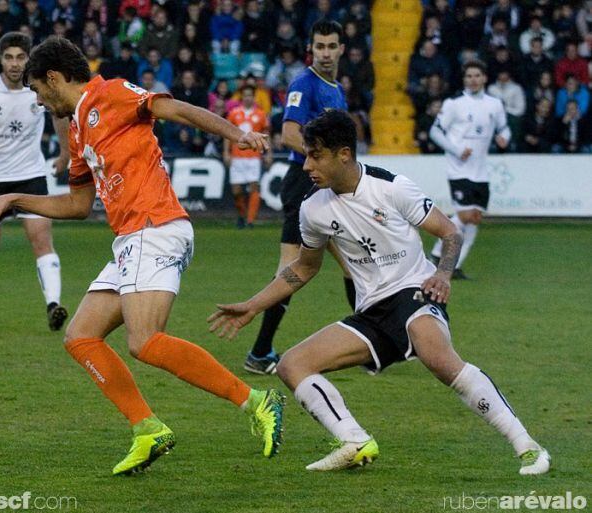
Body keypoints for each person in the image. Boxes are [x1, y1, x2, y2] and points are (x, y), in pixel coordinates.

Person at [0, 35, 285, 476]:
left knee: (144, 340)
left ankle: (257, 401)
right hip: (130, 239)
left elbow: (176, 108)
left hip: (155, 226)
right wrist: (16, 200)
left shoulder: (113, 93)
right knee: (81, 335)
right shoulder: (80, 129)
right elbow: (78, 205)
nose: (39, 100)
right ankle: (147, 429)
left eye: (36, 90)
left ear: (52, 78)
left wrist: (237, 133)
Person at [209, 110, 551, 476]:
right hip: (370, 313)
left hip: (413, 293)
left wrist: (443, 274)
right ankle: (353, 440)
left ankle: (528, 447)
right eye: (306, 154)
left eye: (315, 155)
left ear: (343, 154)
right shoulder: (313, 208)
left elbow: (450, 233)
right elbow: (305, 268)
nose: (307, 164)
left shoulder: (392, 187)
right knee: (293, 364)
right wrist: (253, 306)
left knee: (439, 359)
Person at [245, 19, 353, 376]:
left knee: (354, 262)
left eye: (331, 46)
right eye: (319, 46)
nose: (325, 53)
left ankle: (373, 342)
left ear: (341, 49)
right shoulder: (304, 84)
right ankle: (260, 352)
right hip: (303, 183)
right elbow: (289, 134)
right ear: (312, 48)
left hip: (326, 185)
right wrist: (322, 158)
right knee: (291, 269)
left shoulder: (335, 89)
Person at [0, 32, 71, 332]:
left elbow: (60, 117)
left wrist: (64, 153)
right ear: (1, 59)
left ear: (28, 59)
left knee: (42, 242)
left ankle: (53, 305)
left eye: (21, 57)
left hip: (31, 177)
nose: (15, 63)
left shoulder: (39, 89)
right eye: (9, 57)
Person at [429, 59, 510, 280]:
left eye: (477, 75)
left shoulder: (494, 104)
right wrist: (455, 150)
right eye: (469, 76)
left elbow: (504, 128)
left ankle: (453, 266)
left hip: (481, 171)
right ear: (464, 79)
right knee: (465, 215)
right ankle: (437, 254)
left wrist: (504, 138)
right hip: (459, 169)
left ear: (484, 78)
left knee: (474, 218)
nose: (473, 80)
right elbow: (435, 132)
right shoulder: (453, 103)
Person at [224, 84, 268, 228]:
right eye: (245, 95)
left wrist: (269, 153)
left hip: (254, 157)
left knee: (254, 187)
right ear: (242, 97)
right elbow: (227, 134)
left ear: (253, 97)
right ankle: (242, 215)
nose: (248, 98)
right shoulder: (234, 113)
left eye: (250, 95)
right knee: (236, 191)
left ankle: (250, 220)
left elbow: (267, 135)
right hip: (237, 156)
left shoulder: (261, 114)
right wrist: (226, 152)